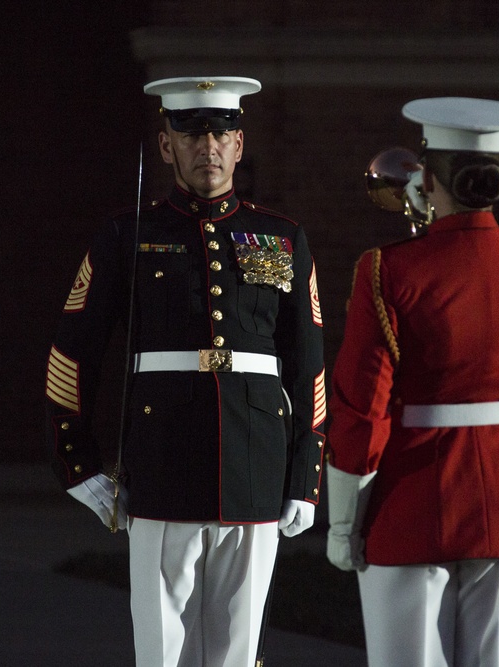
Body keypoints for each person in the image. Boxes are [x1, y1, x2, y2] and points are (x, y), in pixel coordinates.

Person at [44, 76, 326, 667]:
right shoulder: (129, 235)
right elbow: (74, 351)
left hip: (257, 460)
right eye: (192, 133)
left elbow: (308, 363)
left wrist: (307, 468)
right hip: (161, 458)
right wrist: (78, 461)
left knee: (239, 646)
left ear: (240, 144)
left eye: (222, 132)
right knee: (162, 648)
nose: (209, 146)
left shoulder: (280, 236)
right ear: (166, 145)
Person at [325, 97, 499, 667]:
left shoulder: (389, 269)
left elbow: (363, 406)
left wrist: (342, 524)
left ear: (427, 177)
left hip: (413, 497)